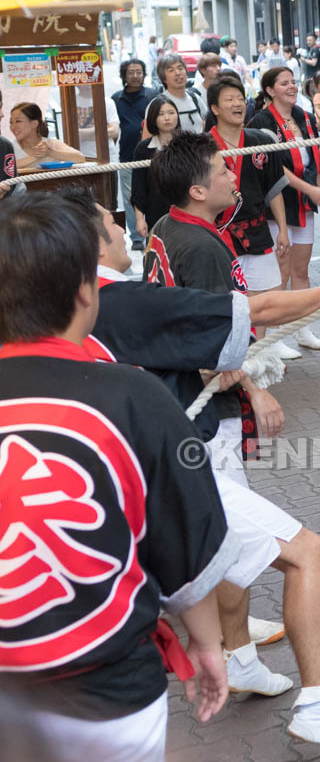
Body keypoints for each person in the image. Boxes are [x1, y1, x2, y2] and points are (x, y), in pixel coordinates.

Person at [133, 143, 320, 751]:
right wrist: (254, 382)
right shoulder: (198, 245)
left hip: (192, 425)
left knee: (224, 547)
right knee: (305, 552)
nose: (234, 173)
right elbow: (226, 328)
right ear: (197, 188)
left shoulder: (179, 230)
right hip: (198, 430)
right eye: (222, 169)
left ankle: (241, 658)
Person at [0, 193, 234, 762]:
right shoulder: (133, 396)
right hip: (108, 693)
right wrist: (206, 644)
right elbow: (186, 547)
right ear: (86, 291)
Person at [249, 66, 320, 353]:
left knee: (301, 269)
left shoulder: (305, 117)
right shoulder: (262, 121)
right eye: (284, 83)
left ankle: (303, 329)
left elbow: (315, 161)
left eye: (294, 82)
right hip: (278, 202)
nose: (292, 87)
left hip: (305, 202)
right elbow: (276, 167)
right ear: (270, 90)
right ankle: (275, 337)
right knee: (280, 272)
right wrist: (311, 190)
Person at [204, 77, 289, 298]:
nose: (237, 104)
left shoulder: (261, 140)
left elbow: (274, 190)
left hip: (257, 232)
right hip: (216, 237)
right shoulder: (202, 147)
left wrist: (282, 229)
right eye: (229, 99)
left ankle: (259, 336)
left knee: (266, 301)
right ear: (215, 108)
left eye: (241, 99)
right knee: (228, 303)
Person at [129, 94, 182, 238]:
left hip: (185, 213)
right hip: (155, 213)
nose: (167, 118)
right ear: (153, 118)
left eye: (171, 113)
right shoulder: (143, 149)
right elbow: (138, 188)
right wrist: (140, 219)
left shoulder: (187, 144)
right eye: (161, 114)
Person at [113, 58, 153, 249]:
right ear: (124, 75)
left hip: (152, 156)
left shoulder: (152, 95)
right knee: (130, 197)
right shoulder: (116, 98)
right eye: (131, 72)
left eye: (139, 71)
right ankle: (137, 238)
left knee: (153, 193)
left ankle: (153, 231)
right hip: (126, 156)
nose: (136, 76)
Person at [9, 102, 85, 169]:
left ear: (34, 124)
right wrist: (35, 156)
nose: (13, 127)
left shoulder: (52, 143)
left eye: (18, 121)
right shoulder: (8, 147)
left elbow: (80, 158)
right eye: (11, 122)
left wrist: (50, 153)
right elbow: (4, 167)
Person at [155, 53, 209, 131]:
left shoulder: (195, 98)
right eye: (171, 70)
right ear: (163, 78)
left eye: (180, 68)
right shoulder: (157, 103)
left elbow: (205, 124)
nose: (178, 73)